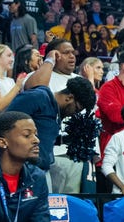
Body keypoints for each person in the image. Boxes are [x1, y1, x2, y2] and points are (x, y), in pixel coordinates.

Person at [6, 51, 96, 190]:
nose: (75, 113)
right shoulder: (38, 97)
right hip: (23, 168)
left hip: (41, 169)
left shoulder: (57, 112)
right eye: (77, 108)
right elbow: (6, 123)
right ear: (69, 98)